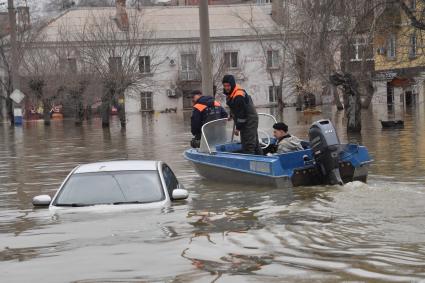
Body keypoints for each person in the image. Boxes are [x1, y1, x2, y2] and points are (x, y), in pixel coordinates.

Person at [222, 74, 262, 155]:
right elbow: (234, 107)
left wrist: (238, 128)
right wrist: (231, 115)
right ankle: (261, 158)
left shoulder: (239, 95)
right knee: (254, 142)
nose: (226, 88)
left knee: (248, 144)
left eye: (228, 85)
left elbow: (241, 114)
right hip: (247, 119)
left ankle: (250, 163)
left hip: (249, 120)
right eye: (225, 85)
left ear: (232, 84)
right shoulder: (232, 92)